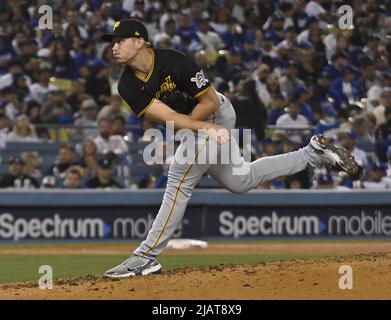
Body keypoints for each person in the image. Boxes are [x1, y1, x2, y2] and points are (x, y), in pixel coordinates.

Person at [100, 19, 358, 278]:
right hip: (197, 125)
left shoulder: (174, 61)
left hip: (217, 114)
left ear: (140, 41)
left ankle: (146, 256)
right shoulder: (127, 85)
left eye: (119, 40)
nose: (114, 46)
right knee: (240, 180)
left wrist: (201, 128)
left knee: (179, 175)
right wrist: (192, 129)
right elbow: (167, 115)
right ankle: (311, 154)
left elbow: (210, 101)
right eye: (112, 42)